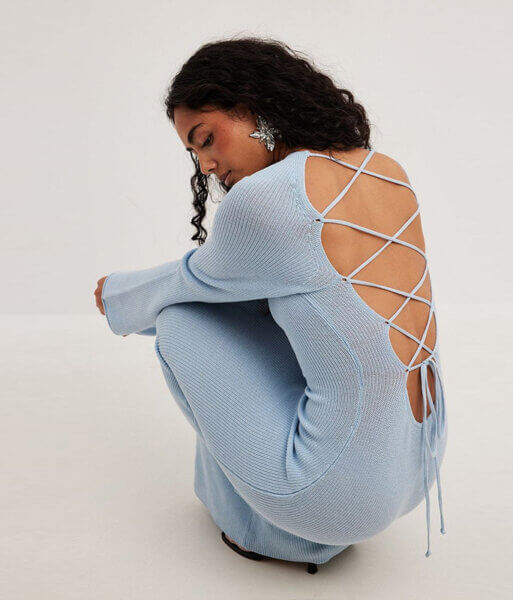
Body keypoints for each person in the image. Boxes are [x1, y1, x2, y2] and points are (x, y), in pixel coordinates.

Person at [94, 36, 448, 574]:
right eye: (194, 154)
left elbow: (188, 283)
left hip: (337, 496)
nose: (206, 164)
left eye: (206, 138)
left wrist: (115, 295)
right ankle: (293, 519)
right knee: (259, 306)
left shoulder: (270, 198)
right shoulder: (385, 169)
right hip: (421, 465)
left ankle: (266, 532)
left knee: (181, 318)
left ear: (253, 103)